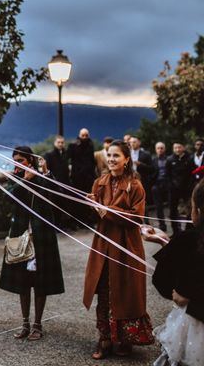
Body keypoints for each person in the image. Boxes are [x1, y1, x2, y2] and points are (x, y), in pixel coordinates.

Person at [83, 140, 154, 360]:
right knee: (104, 290)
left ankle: (125, 339)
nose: (111, 159)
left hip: (126, 244)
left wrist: (108, 211)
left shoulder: (136, 185)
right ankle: (104, 338)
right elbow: (93, 217)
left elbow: (136, 218)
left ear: (126, 159)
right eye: (109, 155)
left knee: (124, 290)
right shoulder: (99, 183)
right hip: (103, 244)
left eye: (116, 156)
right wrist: (92, 207)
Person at [0, 146, 64, 341]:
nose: (18, 164)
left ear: (30, 161)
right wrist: (23, 180)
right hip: (21, 236)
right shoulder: (15, 178)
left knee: (40, 282)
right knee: (23, 282)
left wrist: (44, 173)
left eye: (22, 160)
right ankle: (25, 323)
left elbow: (57, 194)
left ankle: (38, 324)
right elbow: (7, 197)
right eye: (15, 160)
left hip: (41, 237)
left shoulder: (43, 178)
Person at [142, 179, 204, 366]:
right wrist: (165, 242)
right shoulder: (186, 241)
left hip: (197, 329)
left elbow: (163, 283)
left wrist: (188, 296)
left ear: (198, 210)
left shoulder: (187, 240)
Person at [68, 128, 97, 225]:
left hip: (88, 177)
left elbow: (91, 160)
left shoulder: (90, 145)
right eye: (83, 135)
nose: (84, 137)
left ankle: (87, 220)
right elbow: (69, 158)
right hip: (77, 177)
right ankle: (77, 221)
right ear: (79, 135)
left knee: (88, 199)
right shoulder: (73, 145)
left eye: (86, 135)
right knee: (77, 199)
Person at [43, 136, 72, 229]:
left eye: (62, 142)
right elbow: (47, 170)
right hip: (54, 184)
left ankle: (63, 225)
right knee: (54, 205)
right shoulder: (49, 154)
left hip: (65, 183)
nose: (60, 144)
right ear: (55, 143)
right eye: (58, 142)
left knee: (64, 204)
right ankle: (55, 226)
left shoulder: (65, 154)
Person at [166, 142, 195, 236]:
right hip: (174, 189)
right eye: (175, 148)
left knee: (190, 209)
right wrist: (171, 185)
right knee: (173, 210)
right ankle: (175, 231)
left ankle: (188, 230)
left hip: (187, 189)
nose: (177, 149)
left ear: (183, 148)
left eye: (179, 147)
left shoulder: (190, 158)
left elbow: (192, 173)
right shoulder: (169, 159)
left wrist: (189, 186)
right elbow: (168, 175)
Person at [151, 142, 170, 232]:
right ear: (156, 149)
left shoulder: (169, 159)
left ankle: (175, 225)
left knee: (171, 206)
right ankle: (162, 226)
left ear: (164, 149)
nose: (160, 150)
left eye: (161, 148)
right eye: (158, 148)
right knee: (159, 207)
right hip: (157, 185)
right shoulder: (153, 160)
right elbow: (150, 173)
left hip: (168, 184)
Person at [129, 136, 153, 201]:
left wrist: (141, 164)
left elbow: (151, 168)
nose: (132, 144)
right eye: (130, 142)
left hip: (143, 180)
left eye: (134, 142)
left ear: (139, 143)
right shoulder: (127, 154)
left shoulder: (146, 154)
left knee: (142, 199)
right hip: (129, 180)